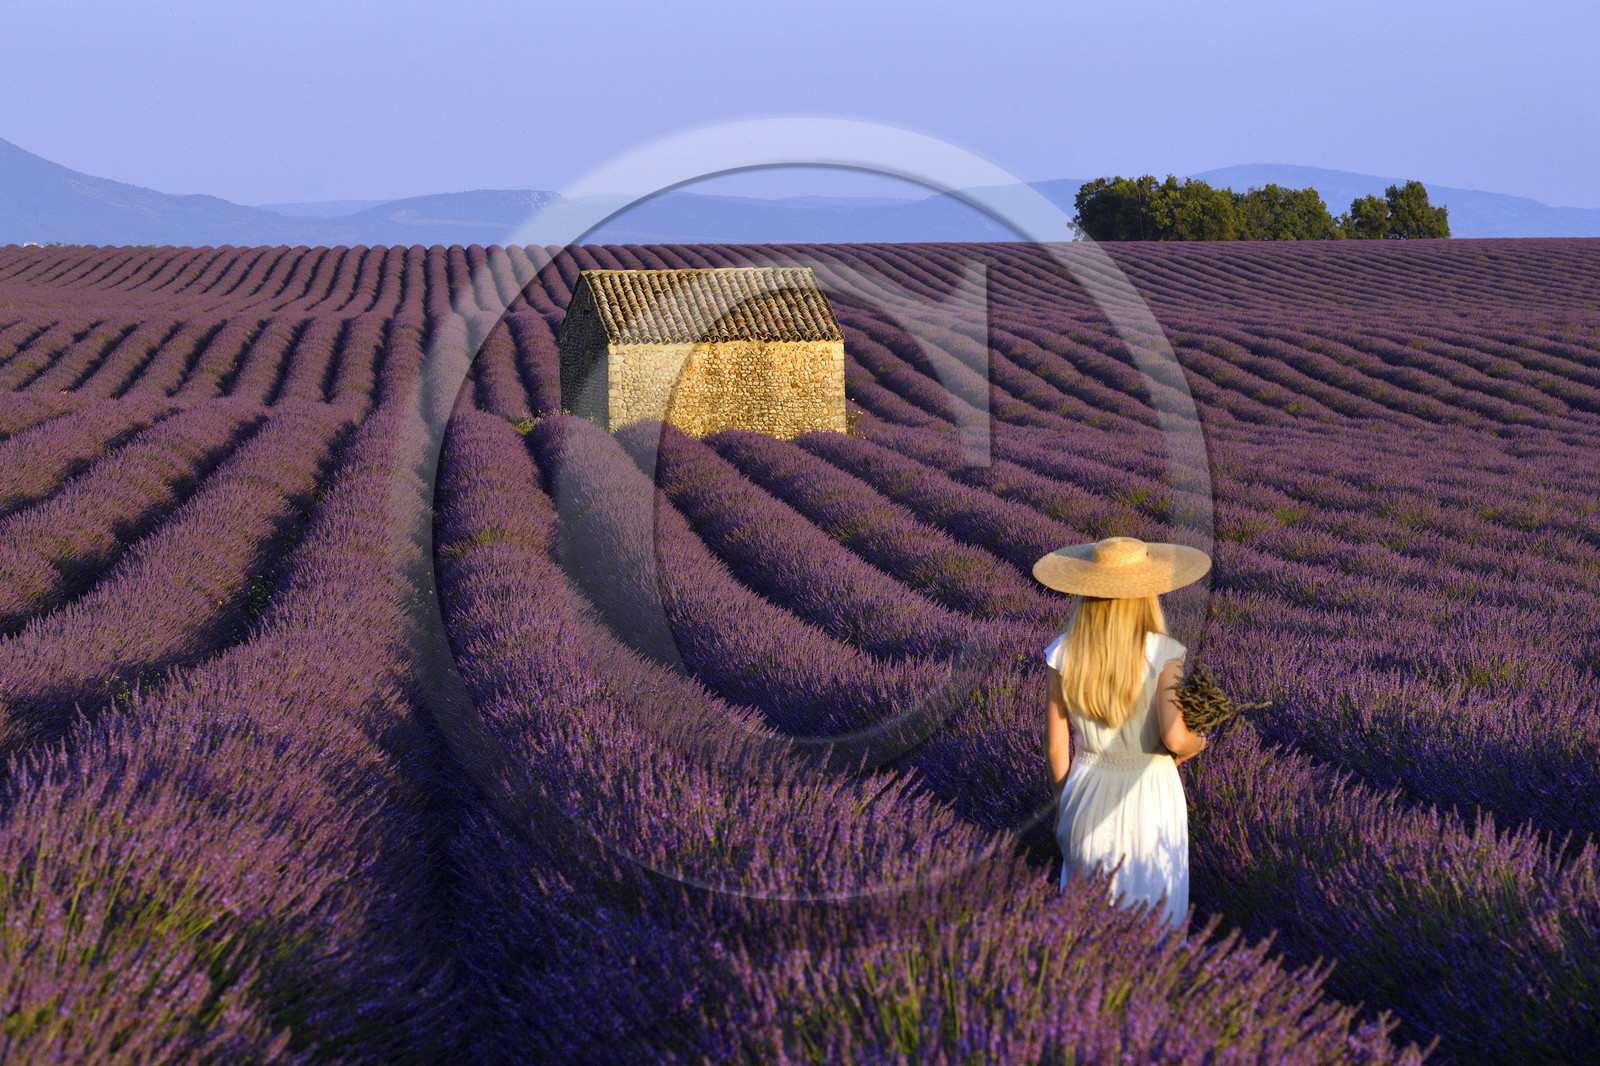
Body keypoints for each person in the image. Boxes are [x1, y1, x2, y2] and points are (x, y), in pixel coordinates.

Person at [1033, 534, 1212, 931]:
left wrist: (1067, 802)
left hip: (1086, 788)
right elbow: (1175, 737)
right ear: (1147, 592)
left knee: (1085, 927)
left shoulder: (1063, 651)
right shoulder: (1165, 653)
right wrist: (1200, 742)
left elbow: (1055, 746)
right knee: (1154, 921)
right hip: (1149, 794)